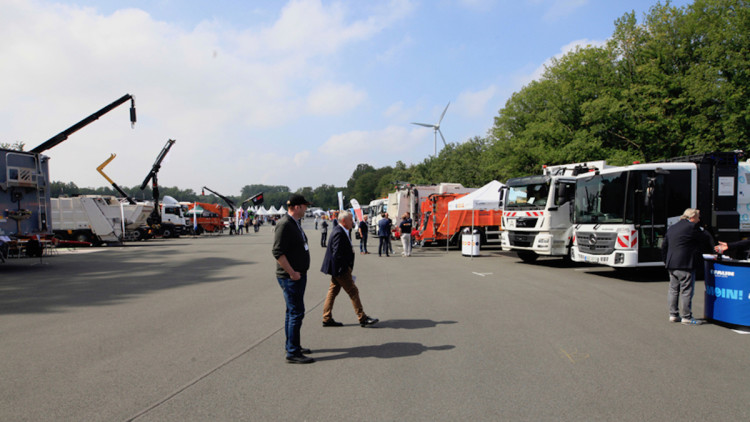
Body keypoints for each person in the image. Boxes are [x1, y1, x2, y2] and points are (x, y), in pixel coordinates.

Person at [272, 194, 314, 364]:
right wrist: (291, 272)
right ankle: (292, 351)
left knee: (292, 312)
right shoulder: (285, 224)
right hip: (291, 277)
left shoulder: (294, 223)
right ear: (297, 207)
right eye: (304, 206)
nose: (306, 209)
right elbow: (277, 252)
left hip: (297, 274)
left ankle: (292, 345)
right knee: (296, 312)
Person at [320, 211, 379, 328]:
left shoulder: (342, 230)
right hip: (340, 269)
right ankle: (362, 318)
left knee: (332, 292)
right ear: (343, 221)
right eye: (351, 220)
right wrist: (344, 269)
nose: (353, 222)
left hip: (338, 269)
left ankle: (326, 318)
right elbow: (337, 254)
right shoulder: (339, 232)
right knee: (353, 291)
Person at [662, 208, 713, 326]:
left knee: (673, 290)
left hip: (672, 263)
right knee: (687, 290)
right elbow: (705, 237)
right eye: (698, 217)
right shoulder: (693, 228)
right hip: (685, 264)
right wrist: (703, 228)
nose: (699, 220)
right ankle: (686, 317)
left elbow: (664, 246)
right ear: (692, 218)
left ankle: (673, 314)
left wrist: (666, 261)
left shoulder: (672, 227)